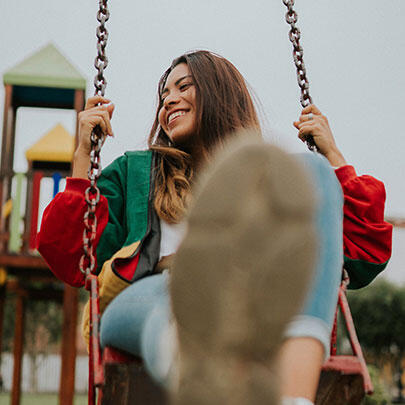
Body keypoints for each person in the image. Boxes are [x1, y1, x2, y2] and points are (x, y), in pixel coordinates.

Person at [37, 50, 392, 404]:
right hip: (155, 295)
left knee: (314, 175)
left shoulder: (269, 180)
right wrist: (83, 154)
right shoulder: (138, 172)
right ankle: (203, 375)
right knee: (175, 300)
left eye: (183, 86)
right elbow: (70, 254)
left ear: (219, 92)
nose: (169, 101)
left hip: (249, 297)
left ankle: (294, 395)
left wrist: (332, 156)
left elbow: (363, 256)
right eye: (164, 96)